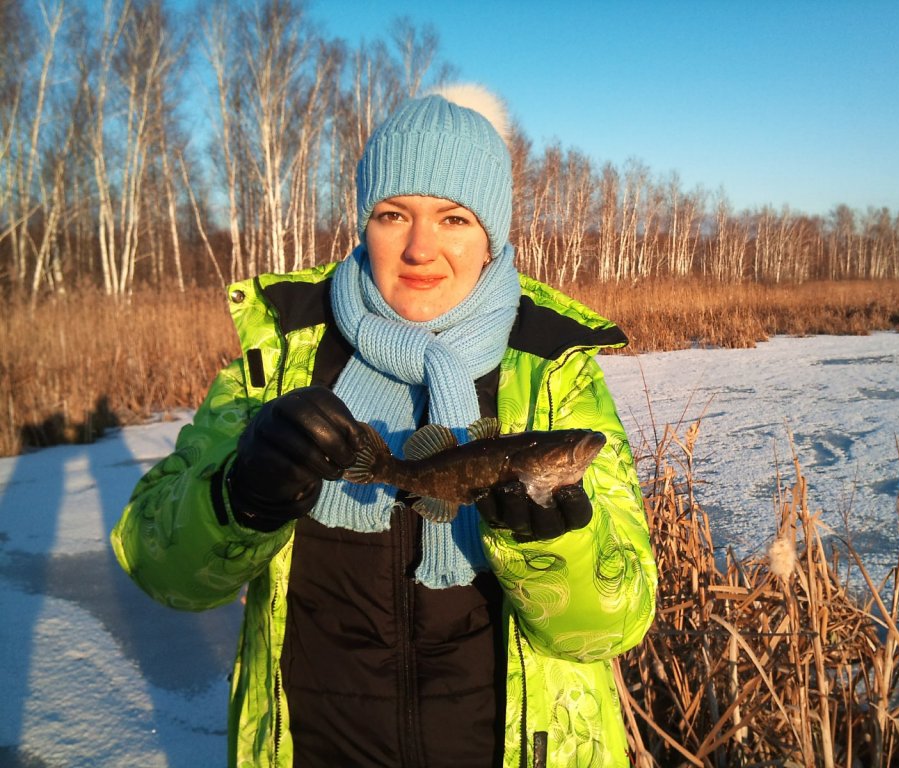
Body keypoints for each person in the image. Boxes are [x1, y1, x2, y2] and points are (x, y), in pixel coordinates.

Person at [111, 84, 656, 768]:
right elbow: (162, 569)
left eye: (454, 218)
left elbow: (612, 627)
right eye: (395, 213)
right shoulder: (281, 355)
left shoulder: (553, 370)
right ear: (364, 222)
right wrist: (239, 496)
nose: (421, 248)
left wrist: (556, 548)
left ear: (492, 234)